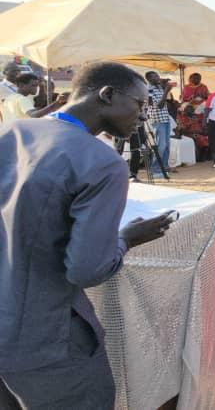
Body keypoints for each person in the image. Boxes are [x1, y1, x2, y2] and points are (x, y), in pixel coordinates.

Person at [0, 62, 174, 409]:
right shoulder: (101, 161)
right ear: (107, 95)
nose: (142, 116)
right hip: (46, 339)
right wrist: (127, 238)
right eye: (139, 105)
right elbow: (86, 269)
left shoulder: (11, 132)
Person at [1, 73, 67, 122]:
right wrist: (55, 103)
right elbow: (34, 115)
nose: (36, 88)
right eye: (33, 85)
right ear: (21, 85)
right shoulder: (22, 99)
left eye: (37, 86)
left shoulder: (9, 98)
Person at [143, 71, 174, 177]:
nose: (157, 78)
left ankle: (164, 166)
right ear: (149, 79)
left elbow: (166, 102)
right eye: (154, 77)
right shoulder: (149, 90)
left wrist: (165, 87)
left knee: (167, 146)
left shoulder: (159, 87)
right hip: (157, 120)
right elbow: (158, 106)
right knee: (161, 146)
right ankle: (155, 169)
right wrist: (166, 91)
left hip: (165, 119)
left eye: (157, 76)